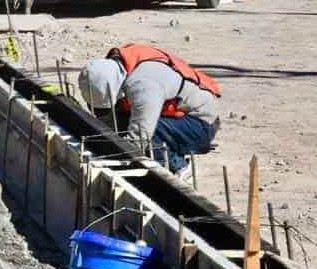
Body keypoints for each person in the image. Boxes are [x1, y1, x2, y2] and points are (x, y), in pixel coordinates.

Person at [78, 43, 221, 178]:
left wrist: (111, 161)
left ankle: (178, 166)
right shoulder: (114, 67)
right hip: (173, 115)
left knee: (147, 132)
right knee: (120, 121)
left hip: (200, 125)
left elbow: (139, 137)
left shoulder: (144, 85)